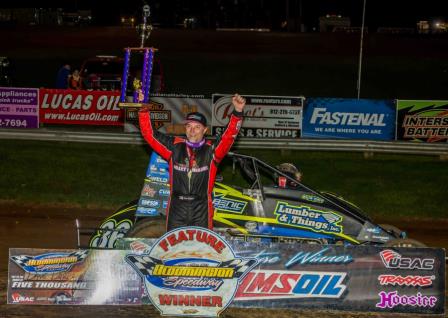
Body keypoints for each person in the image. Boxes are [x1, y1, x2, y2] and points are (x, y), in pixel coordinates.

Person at [139, 94, 246, 231]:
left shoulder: (212, 151)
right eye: (189, 126)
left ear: (205, 130)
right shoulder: (174, 146)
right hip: (176, 208)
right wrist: (143, 110)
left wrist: (237, 112)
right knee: (174, 250)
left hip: (201, 209)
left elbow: (228, 137)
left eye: (197, 127)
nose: (192, 131)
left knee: (201, 250)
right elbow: (149, 134)